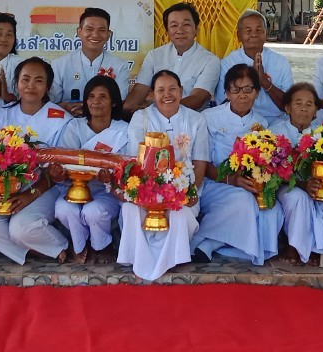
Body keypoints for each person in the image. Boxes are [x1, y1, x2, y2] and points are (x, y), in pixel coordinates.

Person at [0, 57, 72, 264]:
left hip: (45, 186)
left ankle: (59, 245)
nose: (31, 86)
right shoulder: (2, 115)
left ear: (48, 87)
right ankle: (31, 250)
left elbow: (59, 171)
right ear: (16, 83)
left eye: (38, 81)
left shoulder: (61, 118)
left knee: (21, 228)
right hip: (4, 185)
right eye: (25, 79)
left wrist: (30, 195)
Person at [117, 70, 209, 281]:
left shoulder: (196, 119)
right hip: (147, 188)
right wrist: (144, 192)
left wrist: (190, 192)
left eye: (172, 89)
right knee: (131, 208)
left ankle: (174, 259)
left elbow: (200, 161)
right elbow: (135, 161)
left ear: (181, 91)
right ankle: (137, 258)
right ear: (151, 94)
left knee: (178, 213)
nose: (167, 95)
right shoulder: (141, 117)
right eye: (160, 90)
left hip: (185, 188)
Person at [194, 65, 284, 265]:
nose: (242, 95)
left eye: (248, 89)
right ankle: (204, 243)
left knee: (271, 210)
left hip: (248, 184)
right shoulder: (208, 118)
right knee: (242, 200)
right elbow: (202, 161)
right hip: (214, 181)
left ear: (257, 93)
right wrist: (231, 179)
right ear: (226, 92)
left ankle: (216, 244)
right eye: (235, 89)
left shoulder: (262, 124)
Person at [268, 83, 323, 264]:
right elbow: (270, 172)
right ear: (288, 108)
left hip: (316, 186)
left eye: (309, 104)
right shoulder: (274, 132)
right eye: (298, 103)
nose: (304, 108)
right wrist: (302, 184)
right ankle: (293, 246)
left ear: (316, 110)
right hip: (287, 186)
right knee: (298, 198)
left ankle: (320, 249)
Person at [54, 76, 130, 263]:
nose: (96, 101)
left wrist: (110, 179)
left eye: (103, 97)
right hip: (73, 187)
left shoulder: (124, 130)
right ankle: (80, 244)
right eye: (91, 96)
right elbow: (65, 160)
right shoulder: (74, 126)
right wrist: (59, 173)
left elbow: (129, 167)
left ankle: (102, 246)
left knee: (93, 211)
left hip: (107, 191)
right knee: (63, 208)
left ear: (113, 102)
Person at [124, 2, 220, 112]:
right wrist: (128, 107)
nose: (180, 30)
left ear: (196, 29)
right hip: (155, 122)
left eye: (186, 24)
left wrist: (157, 108)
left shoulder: (210, 60)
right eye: (174, 25)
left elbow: (197, 99)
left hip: (191, 122)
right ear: (167, 31)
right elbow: (139, 90)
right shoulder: (154, 55)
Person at [215, 9, 294, 124]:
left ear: (266, 33)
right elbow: (222, 103)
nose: (254, 34)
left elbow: (289, 105)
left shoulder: (280, 62)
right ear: (238, 36)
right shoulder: (228, 63)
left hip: (275, 121)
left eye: (259, 30)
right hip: (239, 121)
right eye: (248, 31)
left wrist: (264, 82)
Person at [49, 7, 130, 114]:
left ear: (108, 35)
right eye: (89, 29)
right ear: (79, 32)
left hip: (104, 124)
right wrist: (65, 106)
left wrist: (89, 109)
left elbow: (119, 102)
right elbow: (52, 103)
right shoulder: (59, 64)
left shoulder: (120, 66)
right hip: (67, 122)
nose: (95, 35)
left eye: (101, 30)